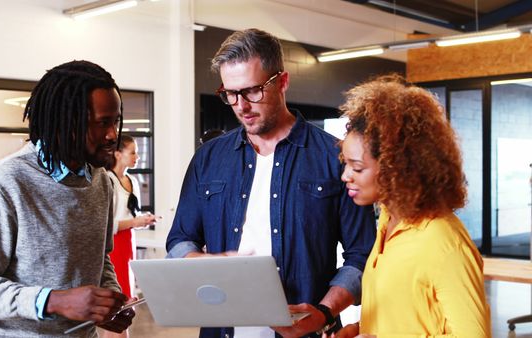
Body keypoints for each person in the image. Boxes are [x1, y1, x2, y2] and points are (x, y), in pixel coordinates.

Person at [166, 28, 377, 338]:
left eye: (252, 91)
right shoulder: (208, 159)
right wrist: (205, 262)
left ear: (283, 81)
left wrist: (323, 311)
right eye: (230, 93)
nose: (241, 106)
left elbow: (363, 254)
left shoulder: (334, 158)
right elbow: (180, 239)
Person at [0, 60, 136, 338]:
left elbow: (99, 258)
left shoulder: (101, 182)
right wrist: (54, 301)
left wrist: (109, 300)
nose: (111, 135)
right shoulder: (4, 183)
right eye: (101, 123)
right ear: (65, 122)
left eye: (116, 121)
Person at [331, 74, 490, 338]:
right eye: (345, 163)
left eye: (357, 167)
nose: (345, 175)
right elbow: (406, 317)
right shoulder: (388, 222)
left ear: (397, 167)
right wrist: (359, 330)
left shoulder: (444, 243)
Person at [104, 134, 158, 338]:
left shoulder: (131, 180)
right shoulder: (107, 180)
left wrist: (143, 220)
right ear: (117, 154)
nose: (137, 156)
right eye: (132, 152)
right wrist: (135, 222)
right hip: (113, 246)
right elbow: (107, 225)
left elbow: (129, 217)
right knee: (118, 305)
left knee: (126, 304)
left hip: (128, 243)